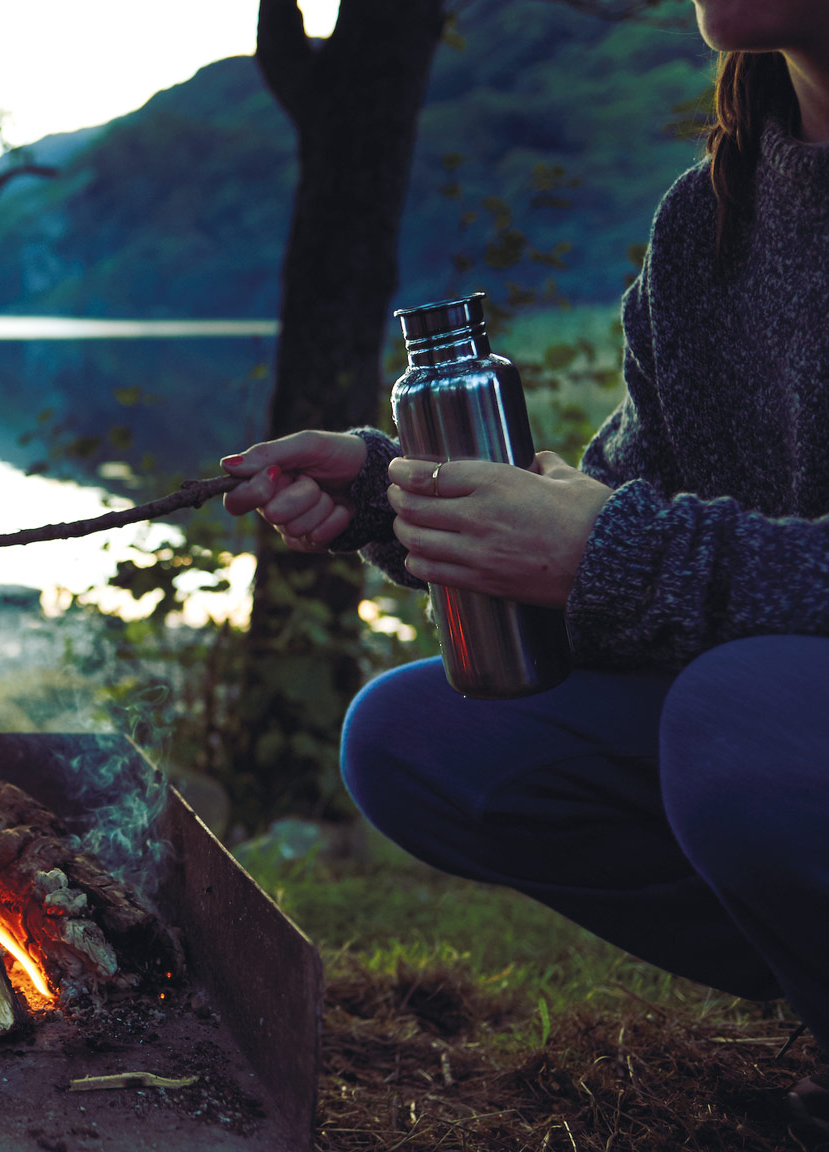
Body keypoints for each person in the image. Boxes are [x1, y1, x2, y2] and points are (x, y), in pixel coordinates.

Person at [218, 0, 829, 1132]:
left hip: (765, 724)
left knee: (731, 718)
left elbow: (629, 549)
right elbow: (607, 527)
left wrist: (616, 551)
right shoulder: (713, 223)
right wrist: (398, 501)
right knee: (421, 736)